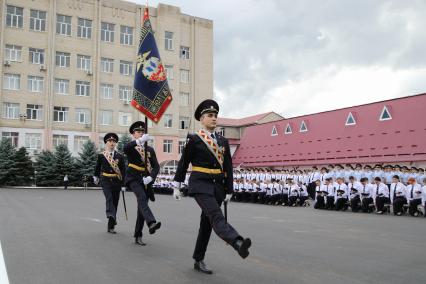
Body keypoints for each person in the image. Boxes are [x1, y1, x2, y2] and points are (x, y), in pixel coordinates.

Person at [173, 99, 251, 274]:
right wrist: (177, 185)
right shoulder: (194, 139)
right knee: (216, 215)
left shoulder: (223, 141)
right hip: (200, 184)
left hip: (217, 187)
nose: (214, 118)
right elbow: (184, 162)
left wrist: (230, 189)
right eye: (210, 115)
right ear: (202, 119)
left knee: (207, 224)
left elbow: (228, 167)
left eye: (215, 115)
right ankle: (237, 242)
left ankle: (198, 259)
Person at [124, 121, 161, 246]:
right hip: (133, 177)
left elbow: (156, 167)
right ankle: (151, 222)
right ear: (133, 134)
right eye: (138, 132)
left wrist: (151, 178)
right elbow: (125, 148)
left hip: (145, 179)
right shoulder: (131, 146)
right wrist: (139, 142)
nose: (141, 133)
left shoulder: (150, 149)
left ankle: (138, 235)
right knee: (142, 198)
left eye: (142, 132)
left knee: (142, 207)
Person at [93, 133, 125, 233]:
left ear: (115, 143)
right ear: (106, 143)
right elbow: (97, 167)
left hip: (116, 181)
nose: (112, 143)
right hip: (105, 179)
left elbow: (123, 171)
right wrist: (96, 176)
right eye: (110, 141)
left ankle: (111, 226)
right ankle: (111, 215)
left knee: (115, 202)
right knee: (109, 198)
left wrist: (123, 184)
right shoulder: (102, 155)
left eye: (114, 141)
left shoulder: (120, 156)